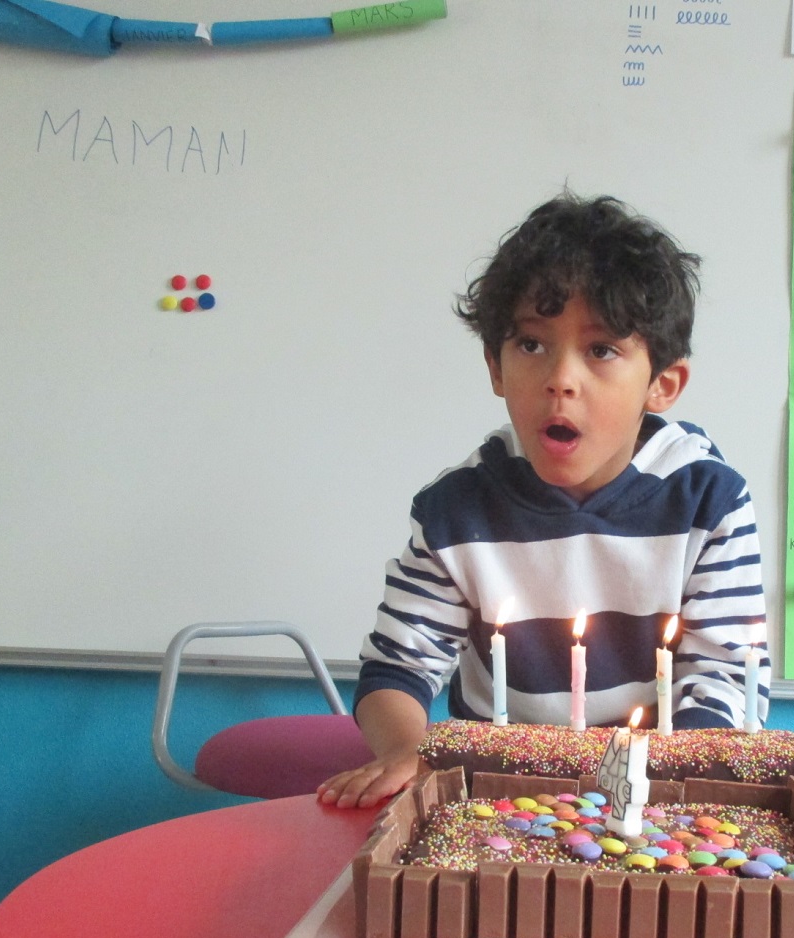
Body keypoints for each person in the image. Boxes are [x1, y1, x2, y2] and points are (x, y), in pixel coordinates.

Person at [318, 193, 770, 808]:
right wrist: (407, 750)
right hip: (494, 800)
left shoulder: (707, 502)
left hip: (654, 803)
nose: (560, 379)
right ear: (495, 368)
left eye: (601, 350)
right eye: (532, 345)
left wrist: (663, 789)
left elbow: (726, 679)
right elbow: (397, 669)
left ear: (662, 384)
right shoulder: (458, 512)